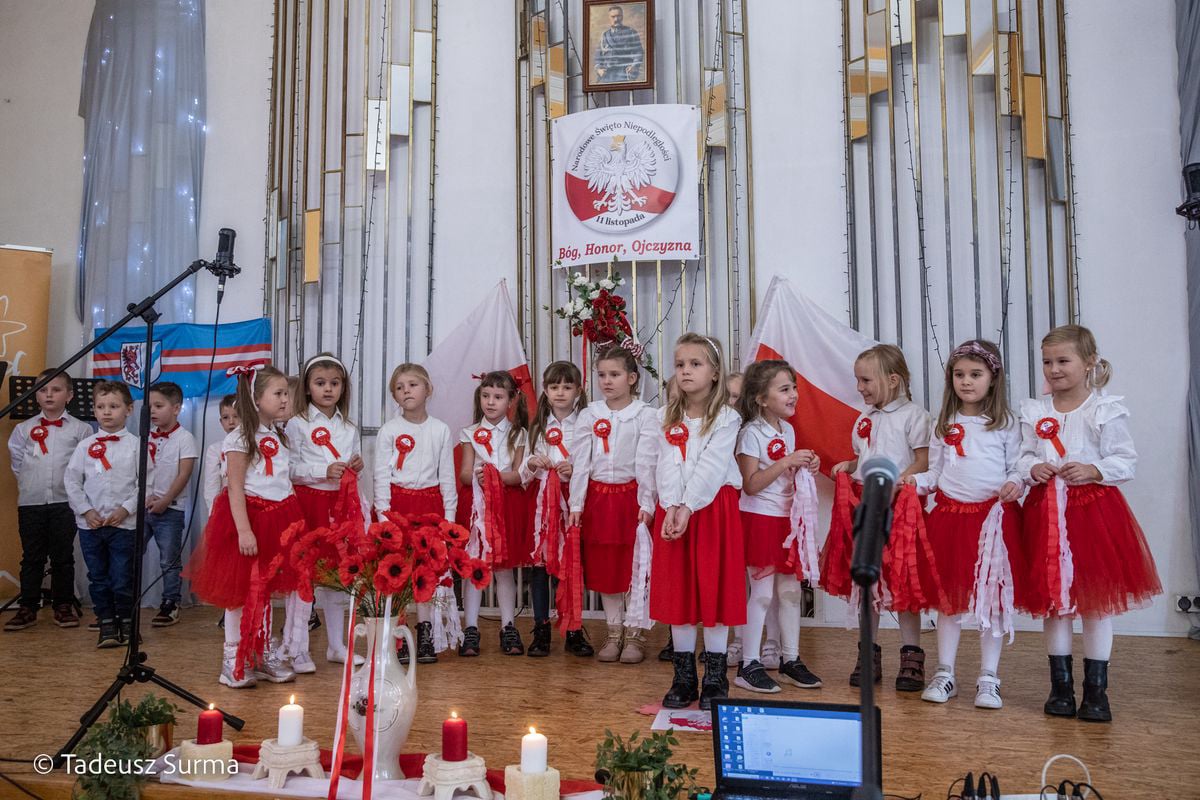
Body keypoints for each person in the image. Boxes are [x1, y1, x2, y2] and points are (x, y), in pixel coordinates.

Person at [1017, 325, 1161, 723]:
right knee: (1055, 605)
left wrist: (1094, 469)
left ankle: (1096, 693)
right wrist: (1033, 468)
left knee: (1095, 605)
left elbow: (1125, 460)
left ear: (1089, 362)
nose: (1054, 369)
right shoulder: (1035, 412)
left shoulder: (1103, 409)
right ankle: (1060, 688)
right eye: (1047, 362)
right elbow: (1022, 456)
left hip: (1092, 515)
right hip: (1046, 516)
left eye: (1063, 361)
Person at [907, 340, 1025, 710]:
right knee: (949, 600)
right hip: (950, 521)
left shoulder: (1006, 424)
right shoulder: (944, 424)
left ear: (993, 378)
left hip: (993, 522)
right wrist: (914, 482)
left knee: (992, 601)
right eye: (959, 375)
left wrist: (1016, 482)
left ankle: (989, 677)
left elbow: (1017, 467)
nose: (966, 381)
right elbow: (936, 472)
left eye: (975, 374)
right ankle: (945, 672)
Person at [820, 344, 934, 691]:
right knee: (867, 580)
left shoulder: (914, 416)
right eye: (858, 380)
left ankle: (911, 654)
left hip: (900, 508)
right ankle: (867, 652)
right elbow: (866, 456)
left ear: (893, 380)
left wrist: (901, 480)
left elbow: (923, 460)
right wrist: (850, 465)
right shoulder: (864, 418)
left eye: (866, 380)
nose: (860, 388)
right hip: (866, 505)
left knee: (902, 582)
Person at [186, 364, 302, 688]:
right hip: (248, 520)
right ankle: (232, 657)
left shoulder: (278, 435)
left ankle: (259, 652)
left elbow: (282, 479)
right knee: (240, 593)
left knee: (264, 589)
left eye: (286, 393)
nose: (285, 399)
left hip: (277, 519)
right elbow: (235, 487)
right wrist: (244, 530)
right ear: (256, 399)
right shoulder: (238, 438)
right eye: (278, 394)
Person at [652, 333, 746, 711]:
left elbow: (711, 466)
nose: (686, 371)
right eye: (680, 364)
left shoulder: (726, 418)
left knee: (714, 588)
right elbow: (665, 464)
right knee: (681, 590)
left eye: (695, 364)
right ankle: (684, 677)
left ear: (715, 372)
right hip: (676, 509)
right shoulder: (664, 416)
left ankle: (716, 677)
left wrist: (688, 506)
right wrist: (671, 505)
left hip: (712, 510)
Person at [734, 360, 823, 694]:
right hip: (760, 519)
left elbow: (785, 474)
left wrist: (805, 465)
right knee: (761, 594)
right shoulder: (750, 434)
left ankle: (790, 659)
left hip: (787, 521)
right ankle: (748, 664)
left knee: (789, 592)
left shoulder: (787, 430)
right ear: (761, 398)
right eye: (785, 389)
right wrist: (787, 461)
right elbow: (751, 484)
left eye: (794, 387)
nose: (793, 394)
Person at [567, 348, 658, 662]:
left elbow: (647, 463)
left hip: (630, 499)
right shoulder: (589, 414)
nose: (607, 381)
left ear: (631, 378)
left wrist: (647, 502)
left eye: (614, 375)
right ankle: (614, 631)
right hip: (598, 499)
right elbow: (580, 462)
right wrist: (576, 504)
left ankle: (635, 635)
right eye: (602, 375)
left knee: (633, 567)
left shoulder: (645, 415)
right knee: (606, 567)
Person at [284, 353, 365, 673]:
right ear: (307, 388)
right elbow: (289, 469)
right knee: (303, 576)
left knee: (335, 578)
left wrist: (355, 466)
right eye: (320, 383)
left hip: (340, 507)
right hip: (308, 506)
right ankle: (297, 648)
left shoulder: (349, 427)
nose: (328, 389)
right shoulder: (296, 424)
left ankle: (336, 645)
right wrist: (322, 470)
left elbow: (352, 462)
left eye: (334, 383)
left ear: (343, 388)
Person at [375, 363, 457, 664]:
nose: (406, 391)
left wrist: (449, 520)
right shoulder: (388, 431)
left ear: (428, 389)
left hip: (430, 508)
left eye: (412, 385)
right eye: (399, 387)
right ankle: (399, 636)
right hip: (397, 508)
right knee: (397, 573)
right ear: (394, 396)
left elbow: (447, 477)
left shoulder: (441, 429)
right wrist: (384, 518)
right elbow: (381, 476)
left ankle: (425, 633)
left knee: (426, 573)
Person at [4, 370, 92, 632]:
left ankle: (62, 605)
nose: (49, 395)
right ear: (35, 395)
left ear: (69, 395)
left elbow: (85, 467)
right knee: (32, 557)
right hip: (31, 503)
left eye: (56, 390)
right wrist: (33, 485)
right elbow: (18, 464)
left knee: (63, 556)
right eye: (43, 390)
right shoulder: (23, 429)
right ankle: (28, 607)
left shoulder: (81, 429)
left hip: (65, 503)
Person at [64, 381, 146, 648]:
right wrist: (86, 511)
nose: (107, 412)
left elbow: (145, 483)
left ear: (129, 410)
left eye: (114, 406)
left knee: (122, 577)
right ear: (94, 410)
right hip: (91, 527)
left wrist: (126, 509)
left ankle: (127, 621)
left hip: (124, 525)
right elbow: (72, 481)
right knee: (98, 577)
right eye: (101, 407)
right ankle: (107, 622)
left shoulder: (136, 446)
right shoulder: (85, 446)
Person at [459, 371, 530, 657]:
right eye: (486, 396)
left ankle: (508, 626)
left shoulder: (519, 434)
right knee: (474, 566)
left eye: (498, 397)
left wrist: (495, 477)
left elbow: (519, 474)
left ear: (511, 400)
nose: (490, 402)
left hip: (506, 505)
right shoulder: (469, 432)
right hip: (477, 505)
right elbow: (464, 474)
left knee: (504, 569)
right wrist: (478, 476)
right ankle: (471, 628)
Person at [524, 361, 587, 658]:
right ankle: (541, 629)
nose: (560, 392)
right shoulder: (537, 427)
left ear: (578, 390)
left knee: (570, 564)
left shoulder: (585, 424)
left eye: (567, 386)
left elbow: (591, 462)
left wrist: (574, 469)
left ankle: (573, 629)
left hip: (573, 501)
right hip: (541, 505)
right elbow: (523, 470)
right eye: (554, 387)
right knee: (540, 566)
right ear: (545, 391)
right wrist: (532, 463)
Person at [144, 381, 198, 627]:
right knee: (129, 553)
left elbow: (184, 474)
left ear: (176, 408)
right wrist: (144, 497)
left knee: (169, 559)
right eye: (150, 406)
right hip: (143, 506)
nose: (153, 411)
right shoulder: (145, 436)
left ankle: (170, 602)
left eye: (159, 406)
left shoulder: (185, 438)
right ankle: (124, 600)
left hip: (171, 508)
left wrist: (165, 500)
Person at [202, 394, 239, 514]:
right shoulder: (215, 450)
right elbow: (211, 486)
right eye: (226, 417)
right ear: (221, 421)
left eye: (236, 416)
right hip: (226, 508)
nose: (231, 422)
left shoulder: (254, 445)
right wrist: (213, 513)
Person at [593, 4, 644, 84]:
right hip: (607, 74)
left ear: (622, 16)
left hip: (624, 73)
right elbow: (598, 56)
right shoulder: (604, 35)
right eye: (613, 17)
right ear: (609, 18)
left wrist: (634, 66)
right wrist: (599, 69)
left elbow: (638, 52)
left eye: (618, 16)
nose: (616, 19)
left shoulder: (631, 32)